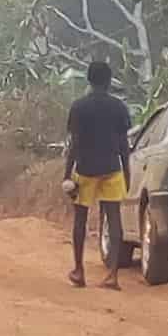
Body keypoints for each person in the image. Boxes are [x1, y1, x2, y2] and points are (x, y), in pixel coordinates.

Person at [63, 58, 134, 291]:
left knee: (81, 220)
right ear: (109, 81)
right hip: (112, 169)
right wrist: (127, 171)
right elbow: (124, 144)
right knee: (113, 220)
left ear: (89, 80)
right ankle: (112, 275)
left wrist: (67, 174)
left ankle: (78, 270)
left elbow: (74, 144)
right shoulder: (119, 107)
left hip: (86, 169)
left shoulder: (79, 107)